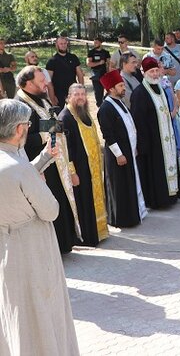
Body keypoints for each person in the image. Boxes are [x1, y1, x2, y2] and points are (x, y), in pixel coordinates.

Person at [0, 99, 80, 356]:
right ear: (19, 129)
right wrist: (41, 183)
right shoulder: (18, 167)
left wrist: (44, 157)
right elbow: (50, 210)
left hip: (5, 245)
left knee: (13, 308)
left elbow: (18, 177)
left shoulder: (10, 161)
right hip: (30, 246)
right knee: (38, 312)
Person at [15, 65, 80, 253]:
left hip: (55, 162)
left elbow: (50, 125)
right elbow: (21, 141)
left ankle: (65, 243)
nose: (46, 83)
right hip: (40, 166)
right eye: (41, 81)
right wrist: (47, 134)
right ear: (28, 83)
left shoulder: (41, 100)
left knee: (60, 199)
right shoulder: (21, 105)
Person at [58, 84, 109, 246]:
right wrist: (72, 173)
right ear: (69, 97)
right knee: (83, 202)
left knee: (91, 200)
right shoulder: (64, 117)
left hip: (91, 168)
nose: (80, 97)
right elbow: (65, 150)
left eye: (83, 94)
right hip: (79, 170)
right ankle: (87, 237)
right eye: (76, 94)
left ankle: (97, 232)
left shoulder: (84, 113)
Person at [96, 70, 147, 227]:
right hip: (118, 155)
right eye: (120, 85)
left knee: (131, 182)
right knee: (121, 186)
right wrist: (119, 154)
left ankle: (136, 213)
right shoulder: (105, 109)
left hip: (129, 150)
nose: (123, 87)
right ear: (111, 89)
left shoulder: (120, 102)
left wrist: (134, 146)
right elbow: (108, 135)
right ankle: (123, 219)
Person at [130, 57, 180, 208]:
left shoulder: (160, 88)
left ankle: (172, 194)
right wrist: (143, 144)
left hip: (166, 137)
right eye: (151, 71)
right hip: (152, 140)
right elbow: (138, 121)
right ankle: (159, 200)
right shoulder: (139, 93)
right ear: (144, 73)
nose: (154, 74)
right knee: (155, 170)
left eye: (156, 71)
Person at [46, 36, 84, 106]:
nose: (63, 45)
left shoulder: (73, 57)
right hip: (59, 94)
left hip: (73, 92)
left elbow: (80, 75)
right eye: (61, 44)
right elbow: (48, 81)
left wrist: (82, 90)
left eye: (65, 43)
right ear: (57, 45)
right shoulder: (52, 61)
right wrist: (52, 97)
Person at [86, 36, 111, 106]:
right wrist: (99, 63)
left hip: (104, 74)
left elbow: (109, 64)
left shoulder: (106, 52)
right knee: (98, 92)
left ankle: (106, 102)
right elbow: (88, 63)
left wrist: (109, 73)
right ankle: (99, 105)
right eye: (94, 43)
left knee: (110, 90)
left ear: (100, 43)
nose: (95, 44)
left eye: (96, 43)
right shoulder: (91, 52)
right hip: (96, 75)